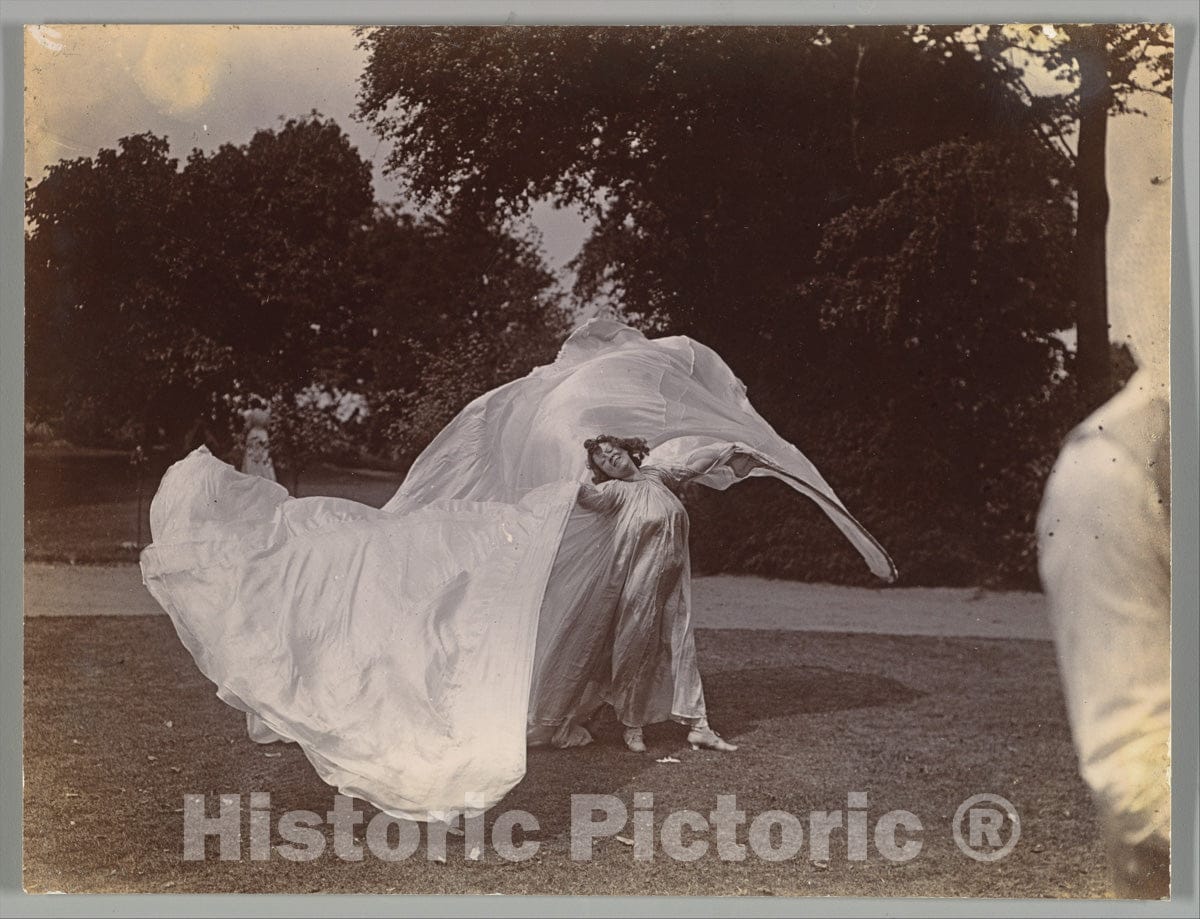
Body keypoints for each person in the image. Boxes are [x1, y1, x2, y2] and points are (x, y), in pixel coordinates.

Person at [141, 319, 895, 822]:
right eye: (613, 450)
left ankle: (615, 714)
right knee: (468, 594)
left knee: (609, 625)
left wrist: (770, 469)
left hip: (621, 546)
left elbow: (718, 452)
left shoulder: (628, 462)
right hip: (592, 541)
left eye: (619, 452)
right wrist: (618, 479)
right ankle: (607, 715)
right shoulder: (592, 466)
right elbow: (652, 474)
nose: (619, 454)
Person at [527, 435, 764, 754]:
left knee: (681, 648)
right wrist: (565, 486)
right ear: (602, 471)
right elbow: (586, 499)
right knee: (632, 651)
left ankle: (699, 726)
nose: (610, 459)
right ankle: (632, 727)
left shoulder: (657, 476)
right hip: (638, 587)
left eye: (613, 452)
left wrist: (729, 449)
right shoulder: (613, 492)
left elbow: (693, 466)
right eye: (602, 461)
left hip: (673, 584)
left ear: (628, 451)